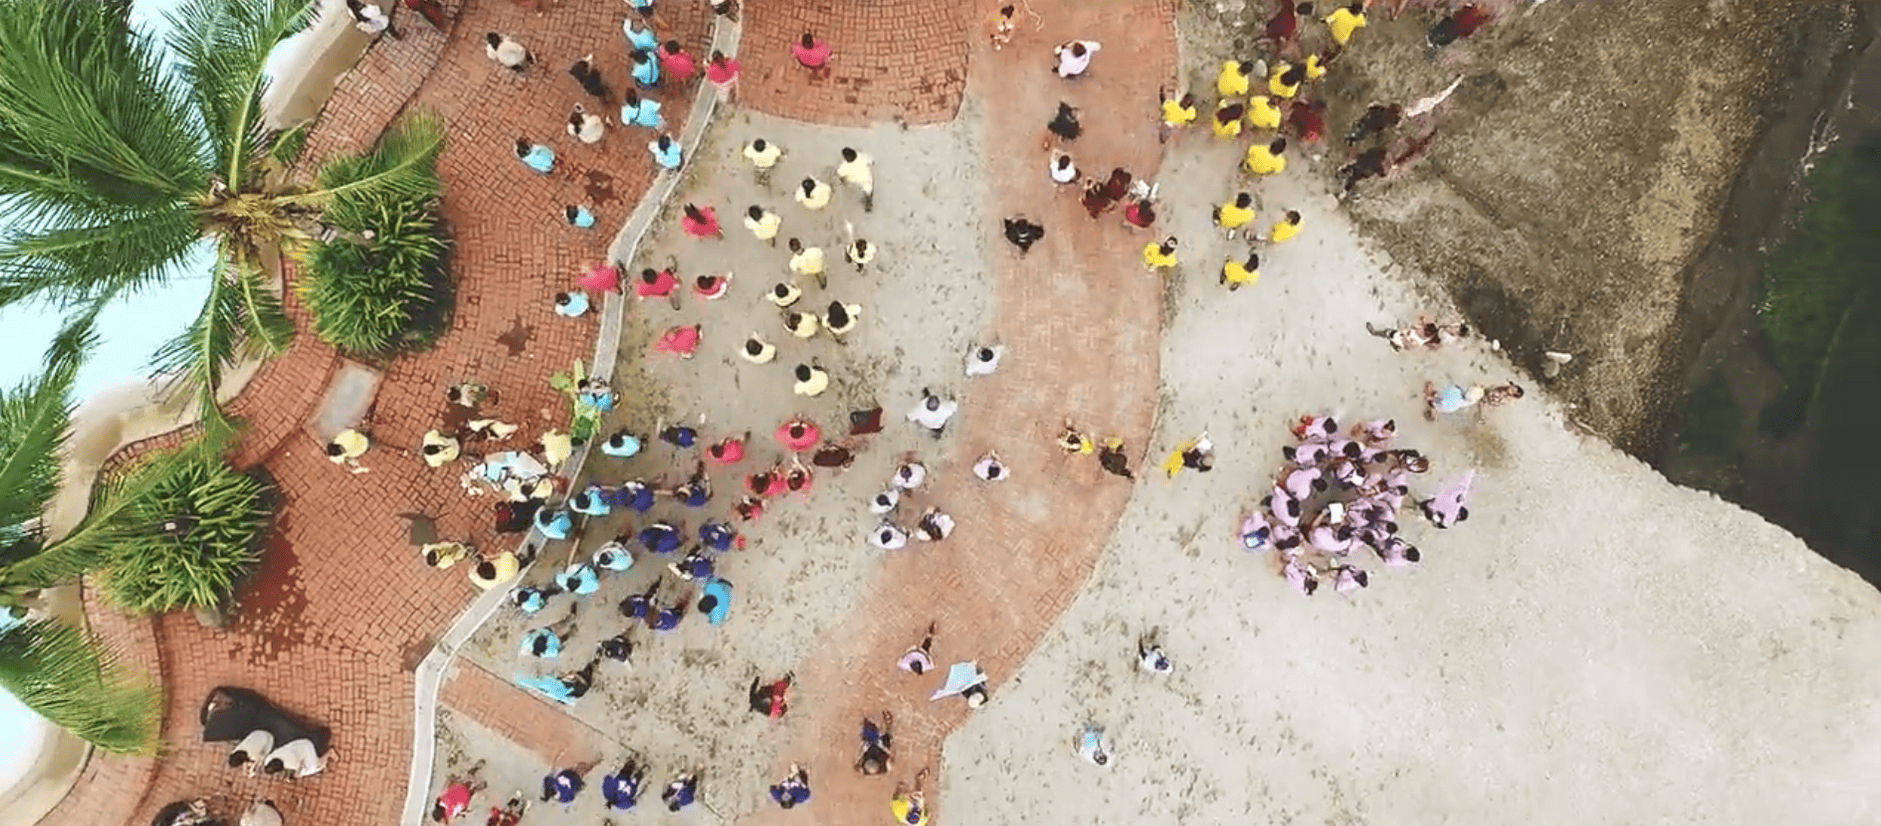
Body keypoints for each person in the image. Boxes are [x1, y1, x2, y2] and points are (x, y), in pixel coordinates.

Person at [838, 147, 875, 211]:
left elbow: (841, 177)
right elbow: (872, 162)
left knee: (865, 189)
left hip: (859, 182)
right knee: (867, 189)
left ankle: (867, 201)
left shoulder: (844, 166)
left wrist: (843, 182)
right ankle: (868, 200)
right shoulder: (862, 156)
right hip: (864, 180)